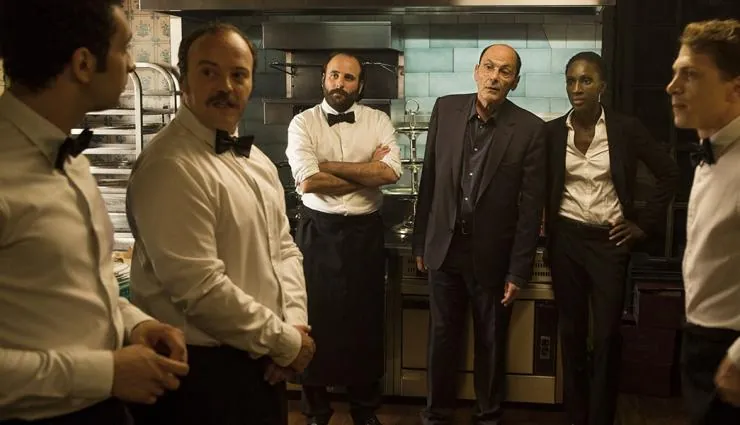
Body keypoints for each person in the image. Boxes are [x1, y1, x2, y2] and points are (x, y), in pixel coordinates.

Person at [0, 1, 190, 424]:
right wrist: (104, 373)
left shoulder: (71, 159)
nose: (132, 64)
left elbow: (80, 288)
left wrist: (134, 324)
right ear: (84, 64)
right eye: (124, 48)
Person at [125, 22, 315, 425]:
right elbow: (200, 289)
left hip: (261, 361)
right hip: (200, 376)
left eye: (238, 74)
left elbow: (284, 249)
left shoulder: (256, 161)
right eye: (209, 72)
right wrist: (285, 342)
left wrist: (294, 325)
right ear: (184, 82)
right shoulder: (170, 167)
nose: (226, 86)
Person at [412, 44, 546, 425]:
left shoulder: (530, 129)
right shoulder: (446, 109)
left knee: (490, 340)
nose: (494, 77)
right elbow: (430, 180)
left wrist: (518, 270)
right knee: (442, 337)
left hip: (493, 254)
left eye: (505, 71)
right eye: (489, 67)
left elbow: (530, 209)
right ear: (476, 71)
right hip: (445, 247)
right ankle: (436, 414)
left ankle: (488, 415)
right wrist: (420, 241)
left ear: (515, 82)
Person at [544, 51, 679, 425]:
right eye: (571, 81)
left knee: (605, 337)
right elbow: (539, 182)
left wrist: (642, 225)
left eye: (585, 80)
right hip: (566, 241)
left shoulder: (624, 129)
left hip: (609, 244)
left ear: (602, 86)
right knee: (571, 333)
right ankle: (576, 416)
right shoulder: (552, 132)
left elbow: (669, 173)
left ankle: (601, 417)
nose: (577, 88)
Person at [286, 52, 402, 425]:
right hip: (318, 232)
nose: (340, 83)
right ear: (323, 79)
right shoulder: (302, 123)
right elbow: (308, 181)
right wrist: (367, 170)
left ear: (360, 85)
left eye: (349, 78)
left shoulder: (378, 120)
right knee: (314, 317)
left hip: (365, 233)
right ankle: (316, 411)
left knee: (364, 321)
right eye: (335, 75)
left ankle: (364, 411)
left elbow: (390, 173)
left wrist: (328, 166)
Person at [666, 18, 740, 425]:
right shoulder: (710, 149)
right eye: (675, 73)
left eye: (690, 75)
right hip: (699, 338)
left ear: (735, 88)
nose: (672, 87)